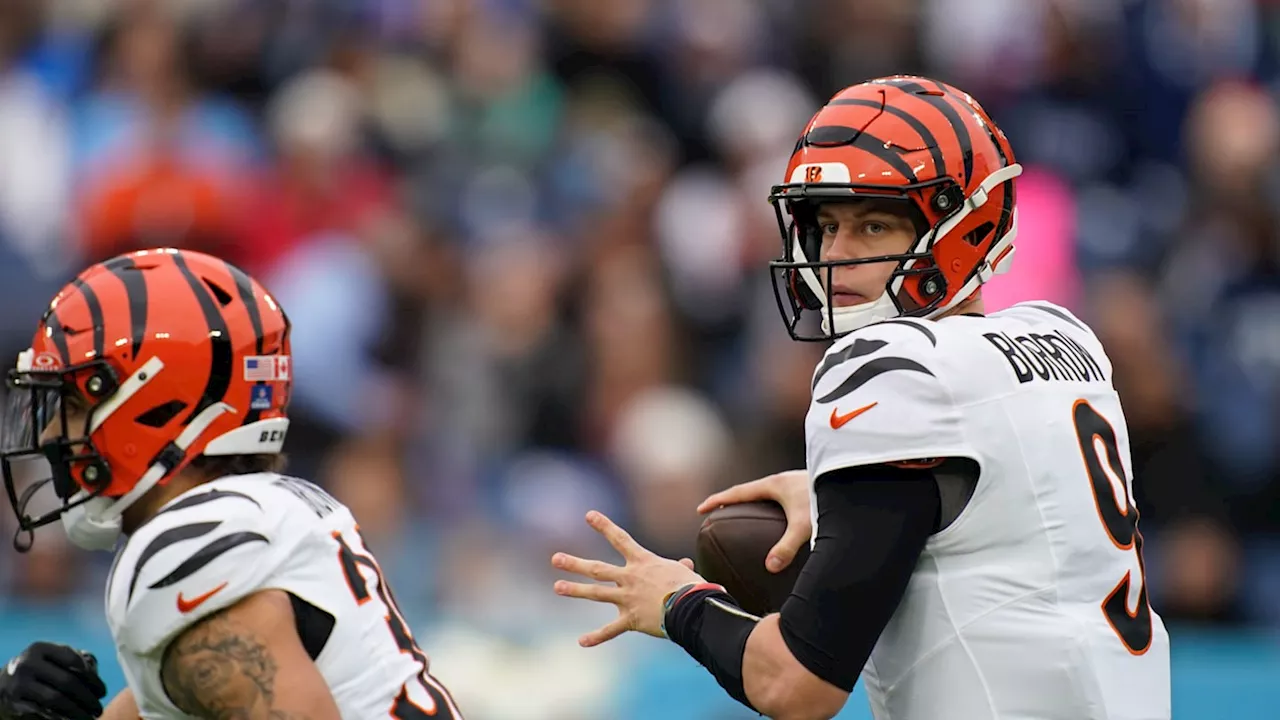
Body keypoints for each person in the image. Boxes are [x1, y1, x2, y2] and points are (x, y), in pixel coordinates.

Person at [551, 75, 1172, 720]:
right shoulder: (1065, 341)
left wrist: (678, 602)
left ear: (966, 227)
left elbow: (796, 685)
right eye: (826, 225)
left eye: (873, 226)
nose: (836, 254)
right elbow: (996, 511)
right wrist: (837, 485)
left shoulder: (890, 371)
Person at [0, 248, 462, 719]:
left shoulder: (185, 554)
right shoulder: (263, 512)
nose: (54, 432)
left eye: (75, 405)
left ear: (156, 406)